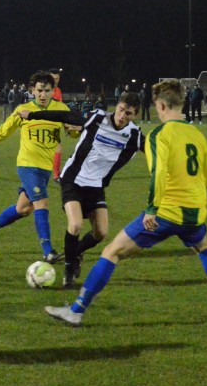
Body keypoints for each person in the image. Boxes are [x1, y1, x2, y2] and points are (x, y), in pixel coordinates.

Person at [45, 79, 207, 326]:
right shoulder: (197, 134)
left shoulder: (159, 135)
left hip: (164, 213)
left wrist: (152, 209)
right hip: (194, 212)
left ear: (160, 106)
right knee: (204, 247)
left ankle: (76, 311)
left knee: (111, 252)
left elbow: (158, 174)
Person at [19, 91, 145, 287]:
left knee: (101, 233)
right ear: (117, 105)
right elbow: (64, 115)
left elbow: (157, 151)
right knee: (76, 224)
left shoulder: (135, 136)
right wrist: (33, 115)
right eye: (121, 110)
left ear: (134, 115)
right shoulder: (97, 118)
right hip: (73, 180)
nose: (122, 116)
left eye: (128, 114)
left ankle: (74, 253)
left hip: (95, 186)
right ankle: (69, 269)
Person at [0, 72, 79, 264]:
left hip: (45, 168)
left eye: (47, 91)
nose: (43, 95)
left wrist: (73, 130)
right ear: (32, 91)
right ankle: (48, 251)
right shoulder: (23, 110)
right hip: (27, 165)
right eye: (39, 90)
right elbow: (4, 130)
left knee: (23, 209)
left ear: (53, 92)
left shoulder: (61, 109)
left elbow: (74, 134)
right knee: (41, 204)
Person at [49, 68, 64, 183]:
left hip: (55, 123)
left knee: (57, 148)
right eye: (53, 78)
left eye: (57, 78)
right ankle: (55, 175)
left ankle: (56, 174)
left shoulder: (58, 90)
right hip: (46, 123)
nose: (56, 80)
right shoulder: (46, 91)